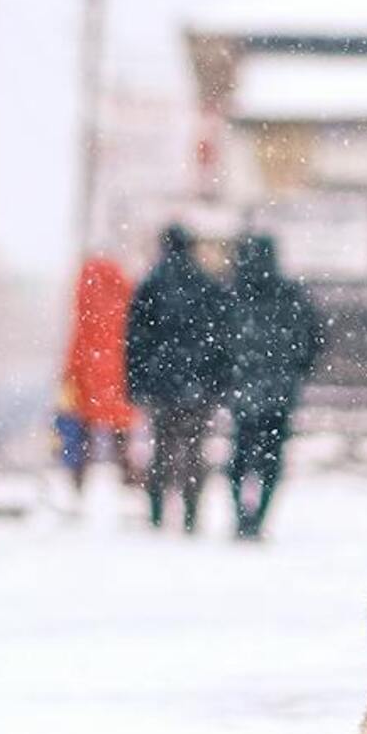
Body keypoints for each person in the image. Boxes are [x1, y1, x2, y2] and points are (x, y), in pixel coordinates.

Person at [125, 225, 232, 533]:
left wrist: (136, 382)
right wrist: (219, 379)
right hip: (199, 382)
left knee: (162, 447)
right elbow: (221, 338)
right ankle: (190, 513)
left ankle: (158, 512)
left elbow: (136, 340)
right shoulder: (207, 284)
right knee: (196, 448)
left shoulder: (151, 285)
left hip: (161, 383)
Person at [224, 235, 324, 541]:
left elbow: (220, 339)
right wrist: (296, 369)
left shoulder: (234, 293)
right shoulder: (291, 294)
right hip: (280, 389)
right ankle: (259, 516)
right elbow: (313, 339)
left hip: (244, 388)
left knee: (240, 455)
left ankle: (242, 514)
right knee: (271, 457)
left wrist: (229, 373)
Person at [55, 255, 140, 495]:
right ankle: (128, 477)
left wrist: (69, 374)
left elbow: (78, 343)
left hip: (89, 378)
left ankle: (78, 477)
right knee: (120, 430)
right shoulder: (124, 297)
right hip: (119, 378)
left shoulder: (87, 303)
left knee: (83, 431)